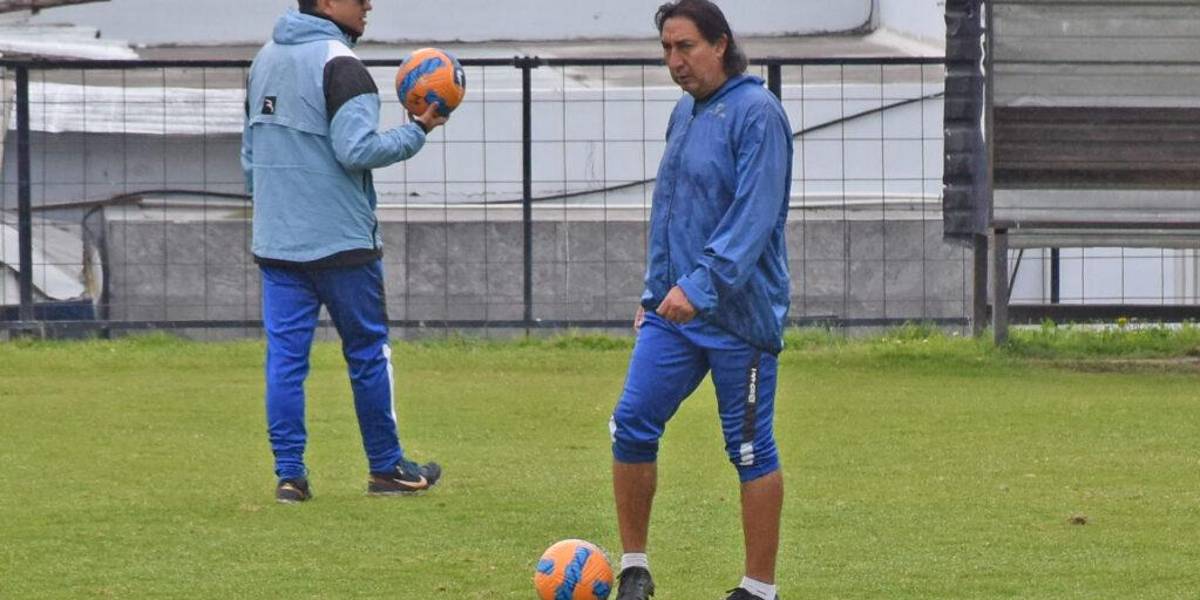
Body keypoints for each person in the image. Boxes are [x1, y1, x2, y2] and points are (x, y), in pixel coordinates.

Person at [609, 1, 793, 599]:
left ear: (720, 45)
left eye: (685, 46)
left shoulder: (759, 114)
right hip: (674, 313)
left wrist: (701, 285)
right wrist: (655, 292)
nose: (674, 61)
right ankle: (633, 567)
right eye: (666, 49)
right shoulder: (684, 112)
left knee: (748, 448)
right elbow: (669, 210)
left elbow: (753, 217)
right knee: (631, 425)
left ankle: (758, 589)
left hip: (739, 318)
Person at [241, 0, 447, 504]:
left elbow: (250, 157)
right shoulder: (342, 65)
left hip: (277, 243)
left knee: (285, 362)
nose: (369, 4)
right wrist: (416, 129)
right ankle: (385, 468)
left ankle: (290, 476)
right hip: (343, 244)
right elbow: (356, 150)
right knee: (368, 355)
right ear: (330, 3)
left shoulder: (263, 59)